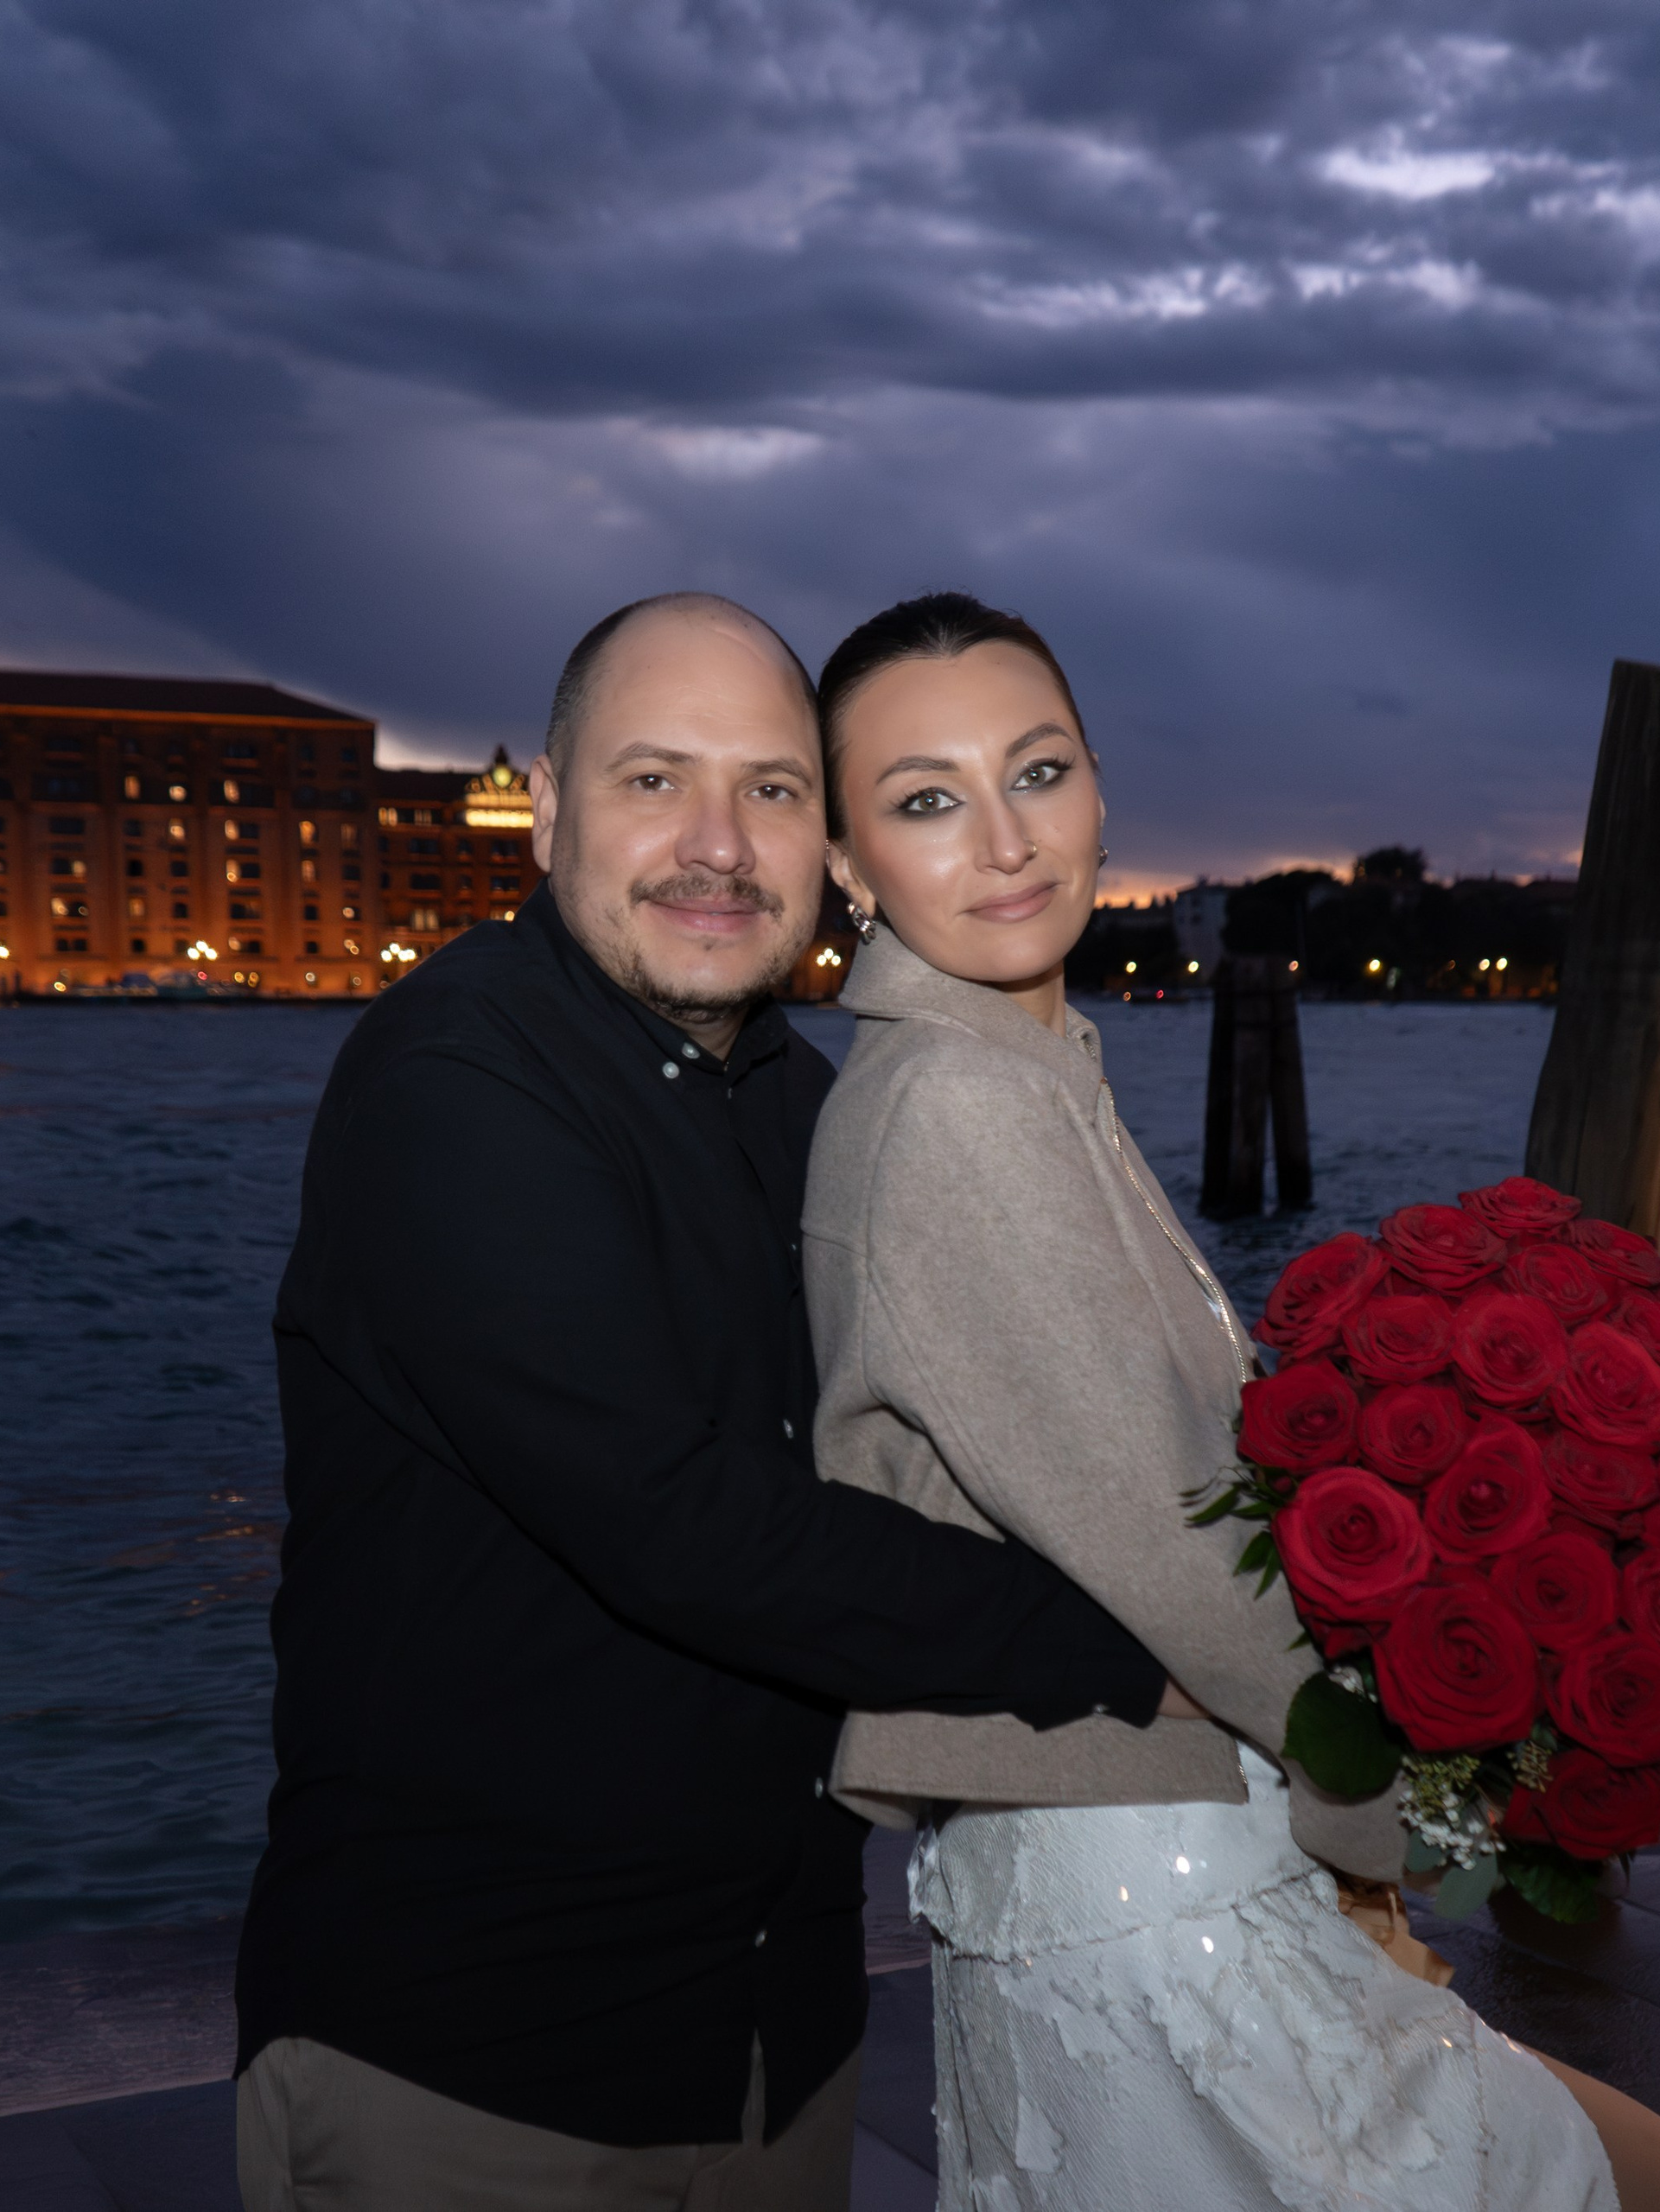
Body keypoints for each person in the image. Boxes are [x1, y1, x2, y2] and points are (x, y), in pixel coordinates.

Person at [234, 591, 1184, 2210]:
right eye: (653, 780)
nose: (718, 844)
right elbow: (682, 1527)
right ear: (546, 804)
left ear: (829, 842)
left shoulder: (814, 1107)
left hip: (776, 2036)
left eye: (772, 788)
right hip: (473, 2059)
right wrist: (1147, 1650)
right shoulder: (453, 1076)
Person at [805, 587, 1660, 2211]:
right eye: (926, 801)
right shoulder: (954, 1114)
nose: (1004, 838)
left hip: (1152, 1847)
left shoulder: (1022, 1072)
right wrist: (1393, 1824)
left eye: (1036, 772)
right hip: (1147, 1878)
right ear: (851, 865)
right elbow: (1178, 1565)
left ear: (1101, 785)